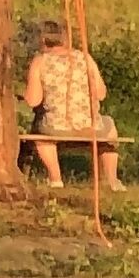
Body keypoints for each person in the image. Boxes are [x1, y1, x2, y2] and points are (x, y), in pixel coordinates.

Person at [19, 17, 115, 192]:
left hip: (56, 127)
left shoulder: (40, 62)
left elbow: (33, 100)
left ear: (41, 39)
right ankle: (112, 180)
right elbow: (101, 94)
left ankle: (56, 179)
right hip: (91, 127)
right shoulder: (85, 58)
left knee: (40, 132)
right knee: (109, 125)